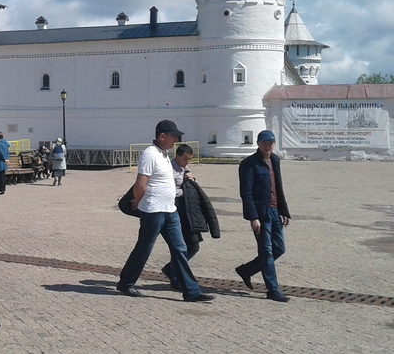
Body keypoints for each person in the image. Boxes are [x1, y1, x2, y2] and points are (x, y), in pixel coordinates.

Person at [115, 120, 214, 302]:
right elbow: (140, 184)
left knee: (180, 248)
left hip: (170, 210)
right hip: (153, 211)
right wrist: (138, 201)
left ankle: (191, 291)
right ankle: (126, 283)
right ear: (162, 136)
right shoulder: (150, 154)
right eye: (173, 136)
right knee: (144, 248)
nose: (176, 139)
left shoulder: (164, 154)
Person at [235, 130, 291, 302]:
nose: (268, 146)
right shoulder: (249, 164)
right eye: (264, 143)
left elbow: (278, 186)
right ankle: (272, 289)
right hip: (261, 213)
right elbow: (246, 192)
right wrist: (253, 217)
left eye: (270, 143)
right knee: (266, 251)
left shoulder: (274, 159)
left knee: (279, 248)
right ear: (258, 143)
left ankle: (247, 270)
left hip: (274, 211)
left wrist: (283, 211)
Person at [160, 144, 220, 290]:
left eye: (189, 159)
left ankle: (172, 270)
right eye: (185, 159)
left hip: (188, 212)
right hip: (176, 210)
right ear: (178, 156)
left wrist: (192, 179)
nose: (187, 162)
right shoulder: (169, 168)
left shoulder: (185, 168)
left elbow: (190, 185)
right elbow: (168, 189)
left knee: (191, 245)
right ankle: (176, 277)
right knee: (184, 246)